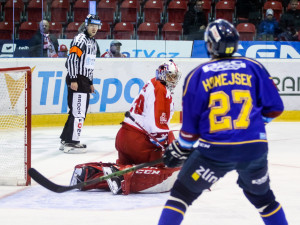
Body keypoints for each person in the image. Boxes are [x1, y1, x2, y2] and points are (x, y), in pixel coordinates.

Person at [157, 19, 288, 225]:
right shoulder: (253, 67)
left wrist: (181, 148)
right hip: (253, 148)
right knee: (264, 200)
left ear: (209, 45)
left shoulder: (198, 74)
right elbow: (276, 108)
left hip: (215, 152)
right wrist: (254, 125)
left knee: (180, 196)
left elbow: (190, 131)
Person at [69, 59, 182, 195]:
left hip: (124, 138)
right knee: (168, 170)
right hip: (138, 143)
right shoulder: (160, 90)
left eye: (175, 77)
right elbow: (156, 127)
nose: (173, 80)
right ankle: (121, 175)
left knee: (121, 171)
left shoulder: (152, 83)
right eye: (170, 76)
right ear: (162, 75)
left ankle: (89, 173)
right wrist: (170, 146)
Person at [59, 14, 101, 154]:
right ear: (86, 25)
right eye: (92, 25)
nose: (94, 28)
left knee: (76, 111)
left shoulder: (93, 42)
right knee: (79, 112)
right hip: (77, 78)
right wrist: (73, 79)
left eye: (96, 26)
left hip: (84, 80)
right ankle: (72, 142)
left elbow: (89, 64)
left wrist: (90, 82)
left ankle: (66, 139)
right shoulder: (80, 39)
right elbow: (71, 60)